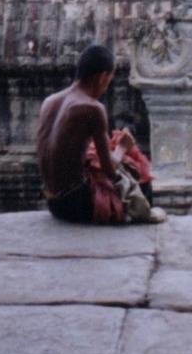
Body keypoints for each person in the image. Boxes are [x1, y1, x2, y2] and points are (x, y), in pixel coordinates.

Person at [36, 43, 164, 224]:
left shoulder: (50, 101)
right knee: (136, 169)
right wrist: (122, 147)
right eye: (109, 79)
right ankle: (141, 221)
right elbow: (109, 169)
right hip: (76, 203)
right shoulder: (92, 108)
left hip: (52, 201)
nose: (106, 86)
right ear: (102, 78)